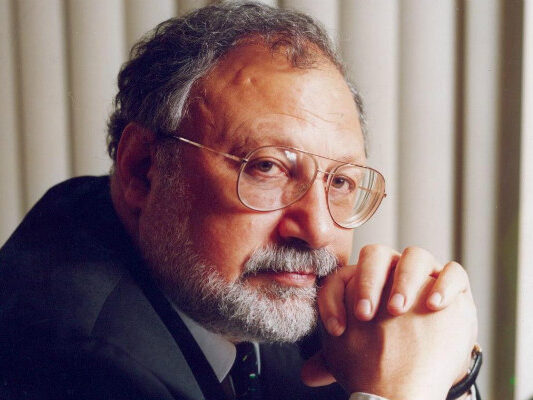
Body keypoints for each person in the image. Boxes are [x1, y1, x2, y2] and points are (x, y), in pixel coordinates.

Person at [0, 2, 479, 400]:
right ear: (142, 169)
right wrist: (402, 394)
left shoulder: (249, 291)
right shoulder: (77, 363)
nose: (315, 230)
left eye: (340, 181)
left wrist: (443, 369)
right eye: (266, 167)